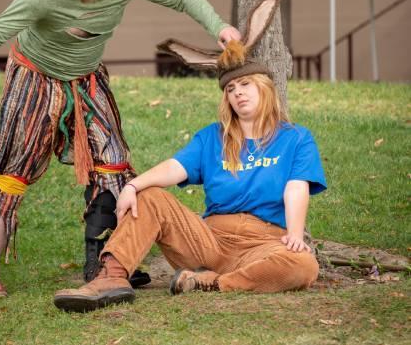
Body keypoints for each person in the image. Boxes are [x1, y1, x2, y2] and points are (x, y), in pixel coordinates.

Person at [0, 0, 241, 298]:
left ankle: (102, 260)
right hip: (35, 78)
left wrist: (219, 26)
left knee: (113, 162)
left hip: (87, 80)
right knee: (10, 171)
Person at [53, 36, 327, 313]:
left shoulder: (296, 138)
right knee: (151, 196)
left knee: (304, 265)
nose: (238, 93)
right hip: (209, 240)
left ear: (265, 87)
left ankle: (213, 283)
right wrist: (132, 186)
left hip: (264, 244)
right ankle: (111, 277)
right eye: (230, 88)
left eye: (245, 84)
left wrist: (294, 234)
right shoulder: (212, 137)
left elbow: (296, 187)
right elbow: (175, 167)